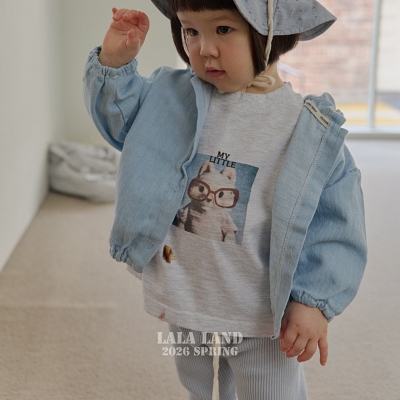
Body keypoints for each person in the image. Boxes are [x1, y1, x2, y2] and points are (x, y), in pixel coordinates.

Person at [83, 0, 367, 399]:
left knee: (270, 392)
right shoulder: (170, 96)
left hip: (258, 309)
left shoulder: (308, 130)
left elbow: (337, 224)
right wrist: (114, 63)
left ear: (269, 33)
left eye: (223, 30)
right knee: (196, 384)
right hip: (184, 292)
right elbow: (121, 125)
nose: (204, 49)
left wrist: (313, 300)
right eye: (190, 31)